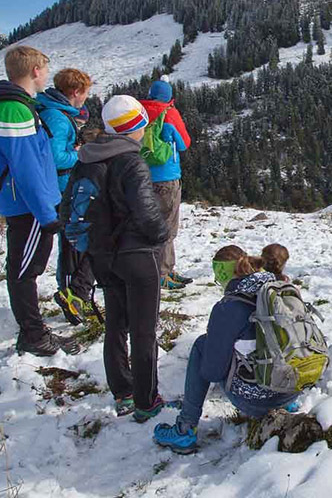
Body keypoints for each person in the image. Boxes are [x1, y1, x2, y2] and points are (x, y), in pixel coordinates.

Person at [63, 95, 171, 420]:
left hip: (101, 256)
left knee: (116, 325)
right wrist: (161, 236)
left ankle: (122, 393)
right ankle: (146, 401)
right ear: (136, 125)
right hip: (136, 255)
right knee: (143, 329)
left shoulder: (87, 159)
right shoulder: (131, 161)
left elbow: (68, 207)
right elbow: (147, 213)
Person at [153, 247, 300, 454]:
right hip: (292, 388)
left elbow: (213, 372)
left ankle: (185, 429)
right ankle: (287, 402)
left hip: (258, 402)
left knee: (202, 346)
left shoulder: (228, 308)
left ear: (222, 274)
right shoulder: (279, 288)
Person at [1, 45, 79, 356]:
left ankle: (32, 331)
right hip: (29, 206)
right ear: (35, 71)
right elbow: (26, 167)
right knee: (24, 269)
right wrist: (46, 212)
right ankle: (33, 334)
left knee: (25, 267)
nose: (47, 75)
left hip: (30, 203)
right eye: (45, 69)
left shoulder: (19, 105)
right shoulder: (14, 110)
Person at [37, 68, 98, 325]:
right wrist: (81, 153)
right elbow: (54, 157)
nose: (85, 98)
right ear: (75, 92)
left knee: (75, 243)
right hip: (63, 190)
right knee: (77, 243)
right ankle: (71, 293)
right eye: (84, 93)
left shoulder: (53, 113)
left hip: (65, 189)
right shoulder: (59, 118)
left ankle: (73, 293)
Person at [138, 78, 192, 290]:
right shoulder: (169, 113)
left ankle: (157, 269)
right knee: (168, 226)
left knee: (148, 224)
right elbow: (184, 143)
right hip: (167, 177)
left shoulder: (140, 112)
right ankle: (163, 272)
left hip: (142, 176)